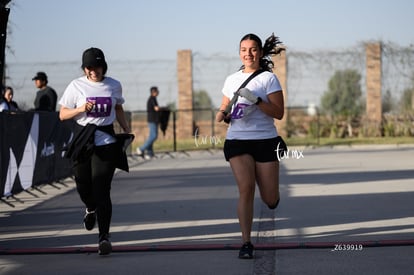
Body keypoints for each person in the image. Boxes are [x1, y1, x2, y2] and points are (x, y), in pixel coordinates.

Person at [215, 33, 285, 259]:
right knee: (246, 188)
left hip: (265, 140)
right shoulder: (232, 79)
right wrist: (222, 114)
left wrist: (256, 100)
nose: (248, 54)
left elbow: (279, 113)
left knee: (270, 198)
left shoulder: (268, 79)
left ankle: (271, 194)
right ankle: (246, 242)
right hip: (237, 140)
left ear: (260, 52)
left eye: (253, 49)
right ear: (239, 53)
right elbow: (224, 107)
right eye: (244, 50)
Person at [59, 47, 131, 256]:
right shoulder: (76, 86)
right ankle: (90, 209)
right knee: (83, 186)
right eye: (89, 67)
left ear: (103, 66)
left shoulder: (114, 85)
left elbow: (117, 108)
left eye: (97, 66)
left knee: (102, 189)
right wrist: (81, 109)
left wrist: (125, 128)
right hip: (82, 142)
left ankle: (104, 237)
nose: (94, 71)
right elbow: (62, 114)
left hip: (106, 143)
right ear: (84, 69)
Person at [136, 86, 160, 159]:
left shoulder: (154, 98)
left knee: (151, 136)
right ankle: (141, 149)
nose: (158, 92)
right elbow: (156, 108)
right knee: (153, 136)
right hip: (152, 120)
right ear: (153, 92)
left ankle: (149, 153)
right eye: (157, 91)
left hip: (154, 120)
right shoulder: (152, 99)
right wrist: (163, 108)